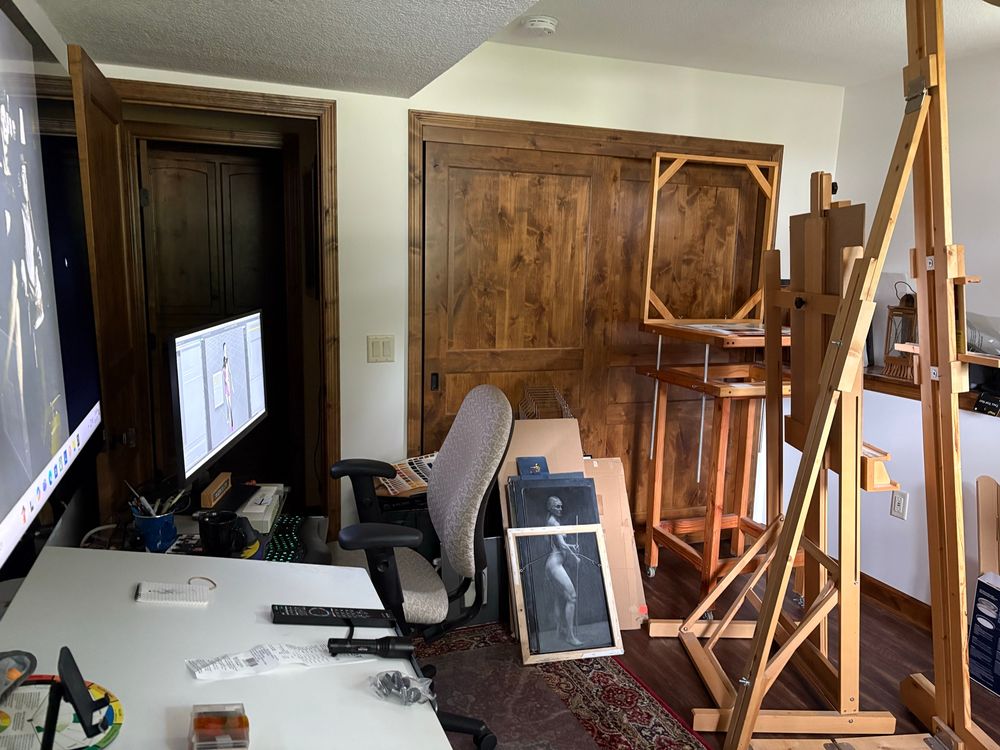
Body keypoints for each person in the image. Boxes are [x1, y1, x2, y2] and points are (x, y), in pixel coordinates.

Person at [544, 495, 583, 647]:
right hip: (555, 564)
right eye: (557, 506)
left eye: (561, 506)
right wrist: (575, 556)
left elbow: (561, 543)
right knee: (572, 596)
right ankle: (570, 636)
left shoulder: (551, 522)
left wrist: (572, 546)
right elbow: (561, 544)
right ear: (550, 507)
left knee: (558, 598)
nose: (560, 509)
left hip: (552, 563)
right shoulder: (553, 523)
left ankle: (559, 630)